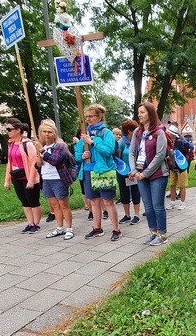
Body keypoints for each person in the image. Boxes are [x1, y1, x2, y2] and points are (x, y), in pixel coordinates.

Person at [75, 104, 122, 242]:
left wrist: (93, 142)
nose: (88, 119)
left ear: (99, 117)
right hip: (88, 171)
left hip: (104, 172)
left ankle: (116, 229)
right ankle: (97, 228)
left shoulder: (105, 133)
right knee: (94, 202)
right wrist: (82, 155)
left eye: (91, 116)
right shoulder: (85, 133)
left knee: (108, 201)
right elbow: (77, 155)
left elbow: (109, 150)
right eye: (87, 116)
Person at [129, 102, 169, 246]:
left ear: (150, 114)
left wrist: (145, 173)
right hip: (140, 175)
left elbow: (160, 155)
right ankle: (152, 232)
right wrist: (134, 170)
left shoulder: (159, 132)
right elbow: (132, 152)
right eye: (138, 112)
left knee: (158, 205)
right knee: (148, 206)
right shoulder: (137, 132)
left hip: (157, 174)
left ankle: (162, 234)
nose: (139, 115)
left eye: (142, 112)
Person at [33, 119, 75, 240]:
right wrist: (38, 162)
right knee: (54, 205)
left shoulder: (59, 147)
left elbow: (55, 160)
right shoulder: (42, 146)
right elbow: (38, 165)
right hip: (46, 178)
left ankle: (69, 228)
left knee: (63, 204)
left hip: (58, 179)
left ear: (54, 133)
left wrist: (42, 151)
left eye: (49, 132)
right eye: (44, 132)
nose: (46, 134)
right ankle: (59, 227)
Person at [3, 117, 42, 234]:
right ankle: (30, 223)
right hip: (17, 177)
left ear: (18, 130)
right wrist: (7, 180)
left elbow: (34, 163)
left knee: (33, 201)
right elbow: (9, 163)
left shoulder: (28, 144)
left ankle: (36, 223)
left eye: (9, 129)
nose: (7, 132)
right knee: (24, 201)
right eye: (6, 129)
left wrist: (31, 180)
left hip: (28, 177)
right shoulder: (11, 144)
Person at [117, 120, 142, 225]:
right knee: (124, 193)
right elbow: (118, 159)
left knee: (136, 192)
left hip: (134, 171)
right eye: (134, 129)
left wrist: (134, 171)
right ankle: (127, 215)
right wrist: (126, 171)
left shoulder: (137, 141)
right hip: (123, 173)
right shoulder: (121, 143)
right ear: (129, 131)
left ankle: (136, 215)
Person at [166, 125, 189, 211]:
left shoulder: (179, 142)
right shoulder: (170, 142)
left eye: (169, 133)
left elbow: (176, 153)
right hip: (173, 167)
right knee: (172, 185)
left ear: (172, 134)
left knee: (182, 186)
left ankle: (182, 203)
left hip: (181, 167)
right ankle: (172, 202)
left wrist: (170, 150)